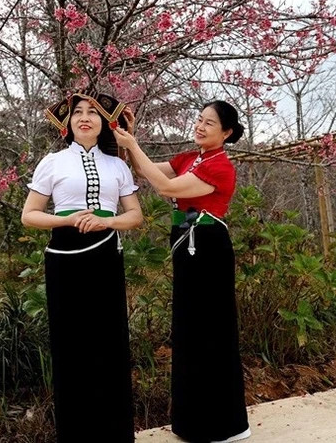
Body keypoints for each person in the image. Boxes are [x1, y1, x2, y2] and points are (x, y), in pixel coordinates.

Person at [114, 100, 250, 443]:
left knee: (211, 330)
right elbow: (146, 171)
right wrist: (129, 138)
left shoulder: (220, 167)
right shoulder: (191, 158)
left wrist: (134, 146)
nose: (201, 126)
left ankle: (223, 426)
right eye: (199, 120)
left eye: (210, 123)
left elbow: (167, 188)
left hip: (208, 249)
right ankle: (191, 423)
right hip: (187, 248)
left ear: (227, 132)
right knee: (189, 330)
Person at [21, 90, 143, 443]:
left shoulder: (117, 165)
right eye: (78, 112)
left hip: (105, 252)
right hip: (65, 256)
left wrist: (108, 223)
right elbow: (29, 215)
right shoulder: (53, 162)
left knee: (109, 341)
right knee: (71, 344)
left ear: (104, 122)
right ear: (68, 122)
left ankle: (114, 435)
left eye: (92, 112)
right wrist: (68, 219)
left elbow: (135, 215)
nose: (85, 117)